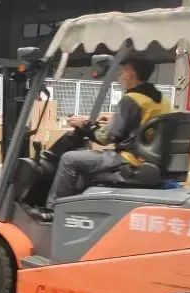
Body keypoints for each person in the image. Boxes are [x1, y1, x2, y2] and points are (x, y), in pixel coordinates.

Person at [45, 57, 170, 209]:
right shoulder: (160, 98)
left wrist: (84, 125)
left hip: (129, 159)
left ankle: (53, 209)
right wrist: (106, 120)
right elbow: (142, 122)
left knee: (68, 159)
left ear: (131, 73)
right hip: (148, 158)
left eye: (122, 72)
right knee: (83, 162)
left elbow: (105, 138)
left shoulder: (131, 99)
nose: (120, 77)